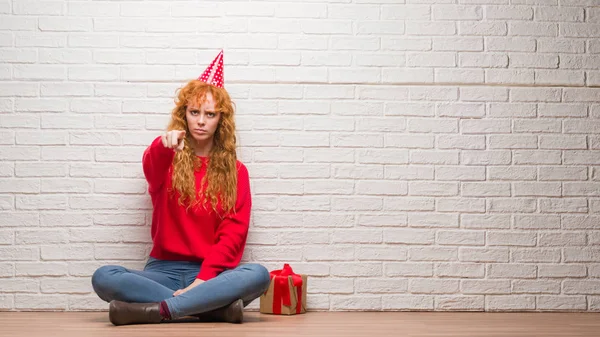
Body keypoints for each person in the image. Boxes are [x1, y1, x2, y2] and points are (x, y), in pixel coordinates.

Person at [91, 50, 271, 326]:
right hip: (163, 270)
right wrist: (163, 146)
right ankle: (213, 310)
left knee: (258, 274)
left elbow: (233, 235)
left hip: (212, 274)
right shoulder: (167, 159)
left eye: (210, 114)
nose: (201, 120)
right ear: (183, 114)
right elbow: (150, 168)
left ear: (220, 120)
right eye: (194, 112)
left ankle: (161, 310)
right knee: (104, 277)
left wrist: (202, 281)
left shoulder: (237, 172)